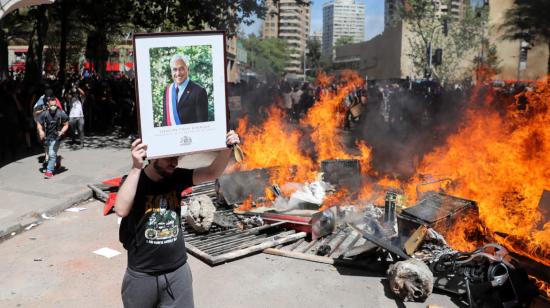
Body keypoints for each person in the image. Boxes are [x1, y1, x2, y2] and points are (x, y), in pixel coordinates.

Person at [115, 130, 240, 308]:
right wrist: (136, 167)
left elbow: (212, 172)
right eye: (169, 158)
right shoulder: (135, 180)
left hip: (177, 272)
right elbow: (121, 209)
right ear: (154, 156)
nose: (174, 162)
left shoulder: (177, 177)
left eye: (178, 157)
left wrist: (227, 149)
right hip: (142, 275)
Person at [162, 54, 208, 126]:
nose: (178, 73)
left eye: (181, 69)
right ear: (171, 71)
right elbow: (165, 121)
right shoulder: (167, 90)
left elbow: (202, 125)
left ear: (188, 69)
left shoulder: (199, 91)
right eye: (175, 69)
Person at [36, 96, 69, 179]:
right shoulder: (44, 113)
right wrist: (40, 131)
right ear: (48, 105)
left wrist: (62, 132)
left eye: (55, 105)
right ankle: (58, 160)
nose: (53, 107)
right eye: (51, 106)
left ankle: (49, 171)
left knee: (51, 153)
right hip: (47, 138)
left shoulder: (61, 113)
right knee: (51, 153)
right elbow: (39, 123)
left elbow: (66, 124)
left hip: (56, 137)